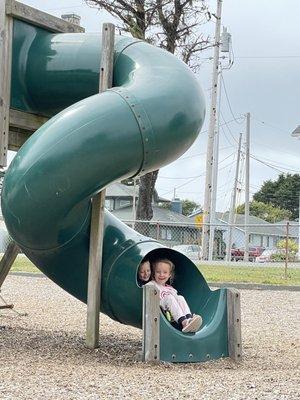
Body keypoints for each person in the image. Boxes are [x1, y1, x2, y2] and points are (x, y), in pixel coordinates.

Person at [149, 258, 202, 333]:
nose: (161, 275)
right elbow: (145, 288)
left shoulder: (171, 289)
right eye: (158, 272)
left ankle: (189, 320)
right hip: (161, 309)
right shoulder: (152, 284)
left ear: (169, 275)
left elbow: (177, 303)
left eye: (165, 272)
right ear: (153, 273)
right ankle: (184, 322)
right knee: (169, 298)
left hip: (172, 313)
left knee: (180, 298)